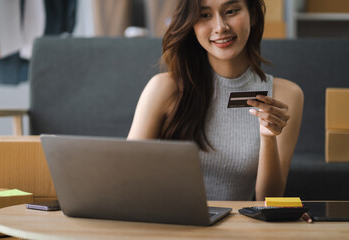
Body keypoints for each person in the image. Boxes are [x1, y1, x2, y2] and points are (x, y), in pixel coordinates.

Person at [127, 0, 304, 201]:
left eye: (231, 11)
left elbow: (269, 201)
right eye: (204, 15)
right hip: (171, 227)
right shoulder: (164, 88)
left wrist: (267, 137)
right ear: (191, 24)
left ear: (253, 15)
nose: (221, 27)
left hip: (235, 230)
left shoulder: (286, 94)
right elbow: (127, 179)